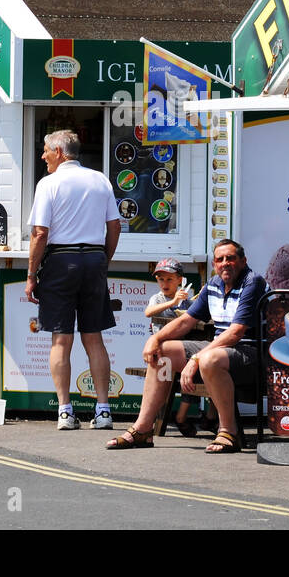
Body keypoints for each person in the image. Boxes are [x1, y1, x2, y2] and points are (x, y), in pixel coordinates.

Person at [108, 239, 267, 453]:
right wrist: (155, 339)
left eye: (231, 258)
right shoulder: (213, 285)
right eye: (220, 259)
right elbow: (186, 321)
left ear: (243, 261)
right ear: (214, 265)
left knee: (209, 359)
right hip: (222, 351)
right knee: (162, 353)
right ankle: (143, 429)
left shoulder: (252, 282)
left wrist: (196, 358)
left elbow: (236, 332)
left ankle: (230, 432)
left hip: (254, 353)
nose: (225, 263)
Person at [24, 130, 120, 431]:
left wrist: (30, 275)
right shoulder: (100, 179)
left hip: (61, 260)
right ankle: (103, 410)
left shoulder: (49, 183)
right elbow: (115, 226)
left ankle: (65, 411)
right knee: (94, 337)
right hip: (93, 258)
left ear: (59, 152)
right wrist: (103, 258)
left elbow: (40, 233)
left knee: (61, 339)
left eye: (45, 151)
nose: (43, 156)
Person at [143, 258, 200, 436]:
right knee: (163, 385)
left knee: (192, 379)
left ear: (180, 280)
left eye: (169, 279)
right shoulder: (158, 298)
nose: (164, 283)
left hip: (182, 353)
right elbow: (148, 312)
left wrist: (196, 300)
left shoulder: (185, 299)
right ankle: (152, 419)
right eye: (161, 279)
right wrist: (172, 302)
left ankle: (181, 417)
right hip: (160, 354)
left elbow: (196, 314)